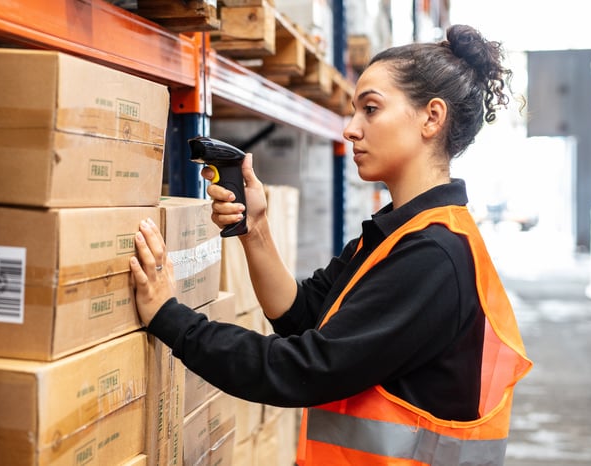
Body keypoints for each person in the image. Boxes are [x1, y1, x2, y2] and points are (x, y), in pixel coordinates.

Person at [130, 23, 533, 466]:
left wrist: (168, 317)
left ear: (431, 118)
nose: (351, 130)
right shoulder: (395, 235)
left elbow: (302, 370)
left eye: (371, 110)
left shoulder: (433, 255)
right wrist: (256, 230)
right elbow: (302, 317)